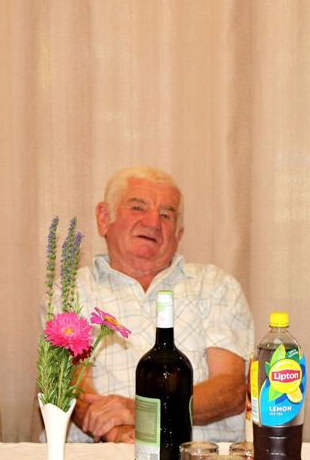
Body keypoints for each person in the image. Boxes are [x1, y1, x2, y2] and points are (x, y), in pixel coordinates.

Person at [57, 166, 255, 444]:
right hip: (99, 454)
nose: (152, 222)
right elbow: (71, 384)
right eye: (138, 207)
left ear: (178, 234)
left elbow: (230, 390)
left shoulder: (215, 286)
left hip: (200, 457)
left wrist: (141, 412)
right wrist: (116, 433)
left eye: (166, 214)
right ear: (103, 218)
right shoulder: (71, 291)